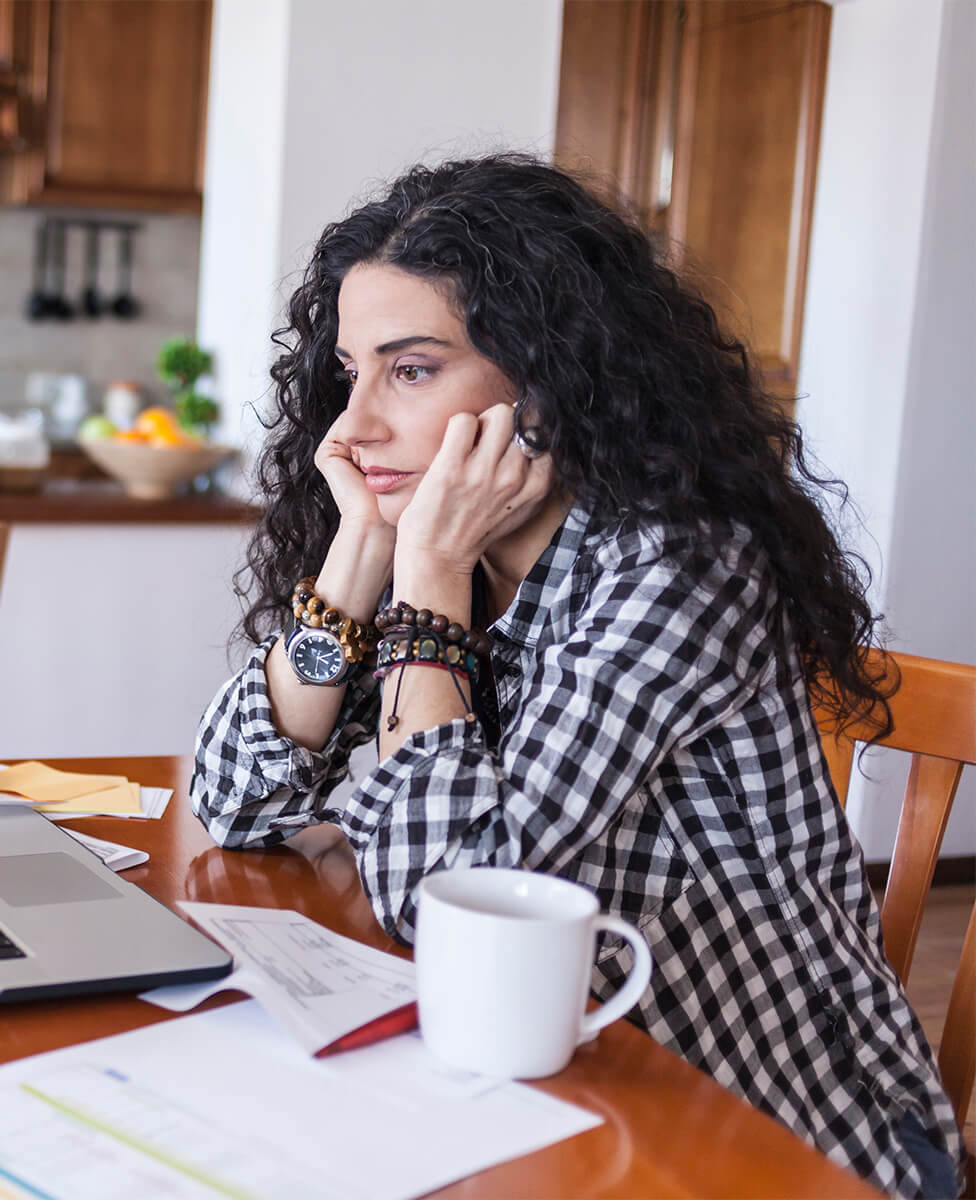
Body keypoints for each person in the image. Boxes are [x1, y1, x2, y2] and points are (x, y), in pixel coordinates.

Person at [191, 155, 963, 1198]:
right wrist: (357, 557)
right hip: (560, 1088)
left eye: (410, 370)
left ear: (547, 377)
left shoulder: (679, 565)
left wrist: (425, 583)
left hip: (776, 1132)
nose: (351, 425)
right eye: (350, 371)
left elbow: (440, 900)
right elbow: (233, 802)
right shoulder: (445, 549)